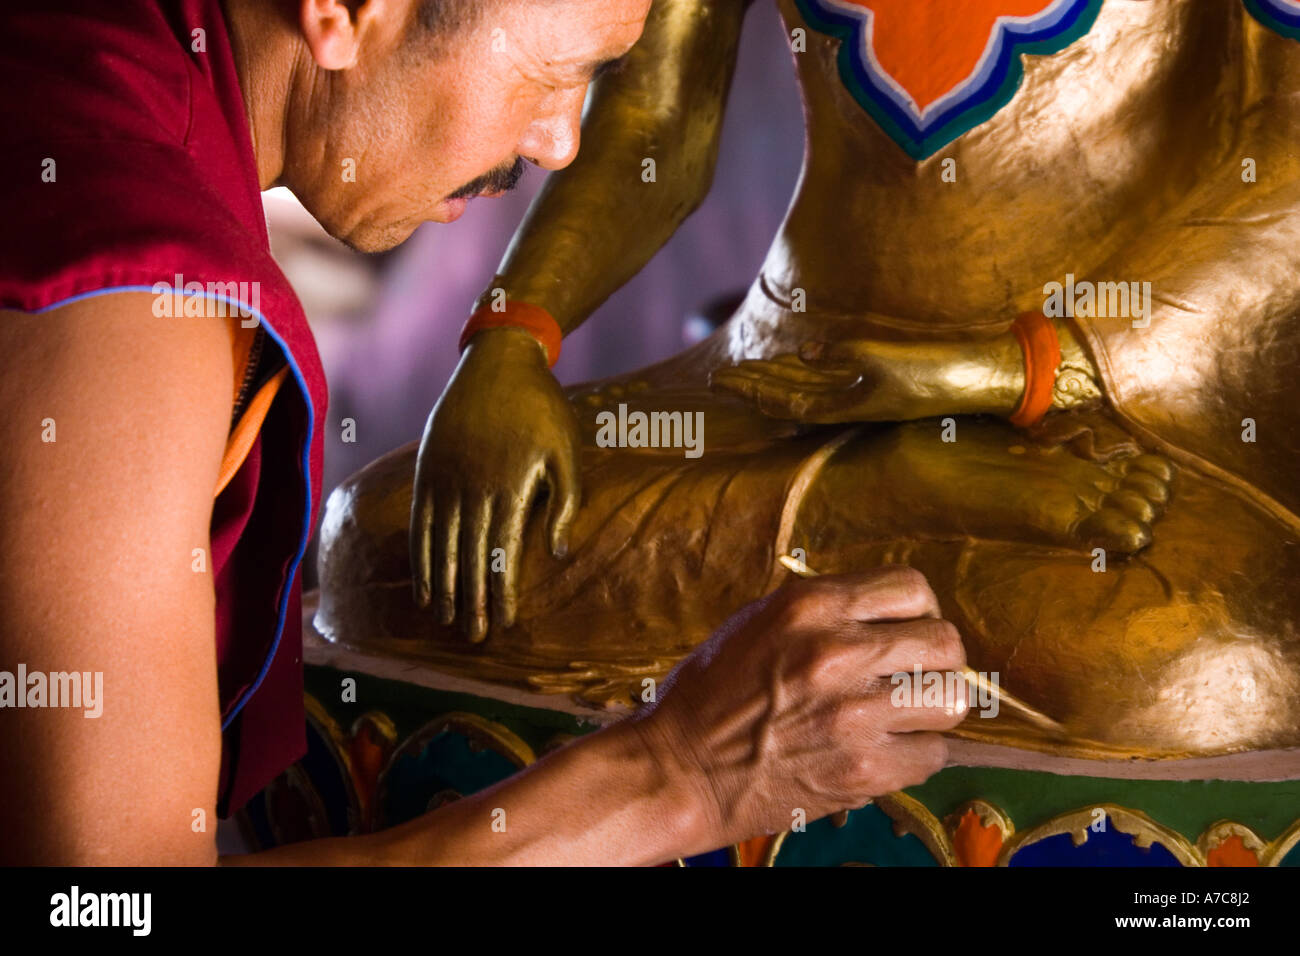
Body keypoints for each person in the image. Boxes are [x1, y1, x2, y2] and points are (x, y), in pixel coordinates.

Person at [0, 0, 967, 865]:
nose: (560, 145)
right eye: (559, 77)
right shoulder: (123, 301)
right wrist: (681, 773)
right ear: (344, 12)